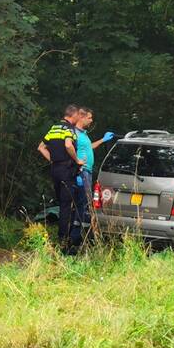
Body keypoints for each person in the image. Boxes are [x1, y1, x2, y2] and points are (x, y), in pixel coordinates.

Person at [38, 104, 86, 254]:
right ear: (73, 115)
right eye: (78, 115)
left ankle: (62, 237)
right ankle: (63, 242)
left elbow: (40, 147)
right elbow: (68, 145)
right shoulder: (69, 129)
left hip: (55, 170)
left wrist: (52, 160)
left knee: (62, 203)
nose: (79, 117)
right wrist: (77, 160)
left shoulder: (54, 128)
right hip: (66, 170)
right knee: (66, 206)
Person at [73, 107, 115, 236]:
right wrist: (76, 171)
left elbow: (89, 147)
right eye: (89, 118)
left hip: (87, 172)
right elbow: (69, 150)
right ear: (81, 117)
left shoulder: (84, 134)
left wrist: (103, 140)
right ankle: (77, 236)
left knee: (84, 203)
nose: (91, 121)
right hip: (81, 171)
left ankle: (80, 235)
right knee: (84, 203)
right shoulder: (74, 133)